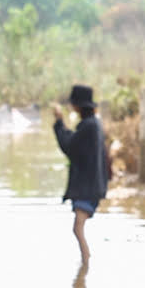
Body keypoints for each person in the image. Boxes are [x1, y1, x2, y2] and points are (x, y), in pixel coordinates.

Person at [52, 83, 110, 262]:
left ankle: (86, 263)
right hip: (92, 185)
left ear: (78, 106)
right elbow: (74, 142)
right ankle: (85, 265)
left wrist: (59, 123)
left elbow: (69, 146)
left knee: (77, 228)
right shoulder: (92, 124)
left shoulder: (88, 126)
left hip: (88, 187)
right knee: (78, 228)